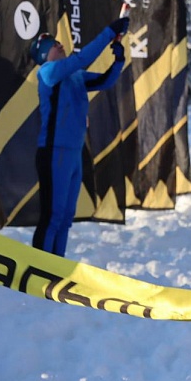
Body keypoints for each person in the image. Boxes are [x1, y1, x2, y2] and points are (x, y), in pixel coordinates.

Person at [28, 16, 129, 256]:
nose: (60, 44)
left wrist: (118, 61)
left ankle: (57, 268)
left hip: (73, 153)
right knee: (53, 216)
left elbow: (105, 81)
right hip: (54, 152)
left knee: (65, 218)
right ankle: (39, 269)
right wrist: (108, 33)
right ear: (44, 54)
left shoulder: (74, 76)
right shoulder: (47, 72)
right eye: (54, 45)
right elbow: (82, 58)